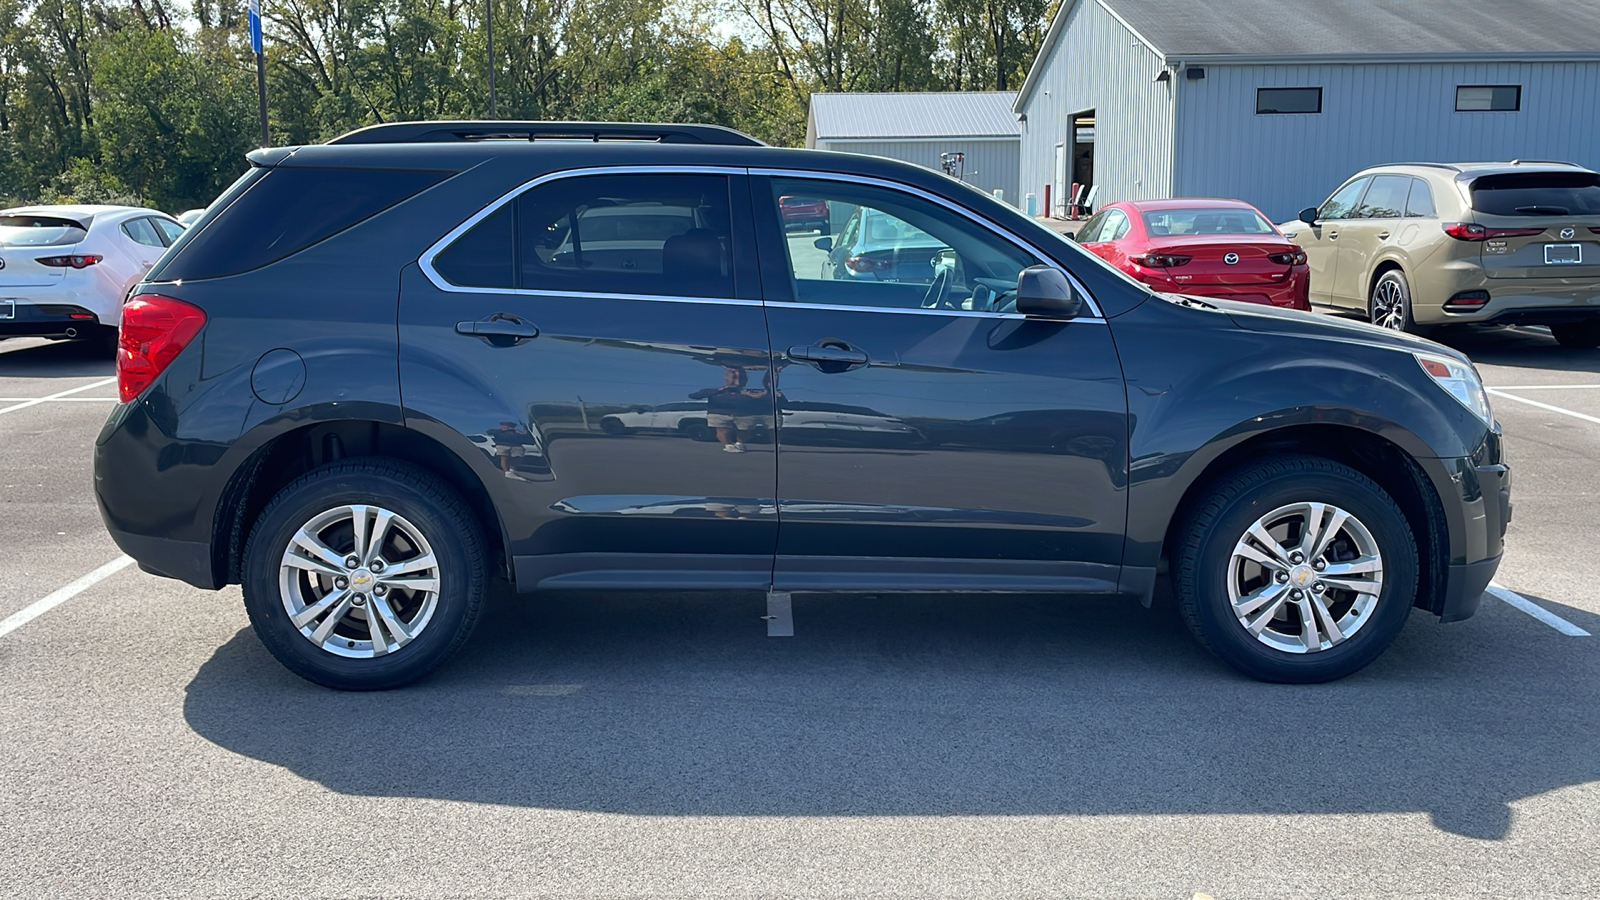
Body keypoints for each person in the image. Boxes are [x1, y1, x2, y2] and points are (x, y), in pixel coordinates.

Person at [690, 366, 770, 452]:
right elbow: (694, 396)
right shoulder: (715, 391)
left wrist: (756, 396)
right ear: (726, 377)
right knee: (723, 430)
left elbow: (762, 402)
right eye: (733, 376)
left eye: (741, 377)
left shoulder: (749, 392)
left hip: (743, 414)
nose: (736, 380)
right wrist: (721, 389)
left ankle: (740, 444)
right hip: (719, 413)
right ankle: (728, 445)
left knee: (745, 430)